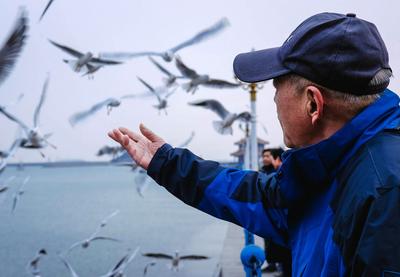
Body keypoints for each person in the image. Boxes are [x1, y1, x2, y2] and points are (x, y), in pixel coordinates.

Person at [108, 12, 400, 276]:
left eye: (275, 87)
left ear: (313, 103)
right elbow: (260, 199)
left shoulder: (385, 195)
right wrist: (167, 163)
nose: (272, 99)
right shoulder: (331, 166)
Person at [260, 148, 291, 277]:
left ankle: (283, 270)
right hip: (268, 216)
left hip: (280, 218)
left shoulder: (280, 173)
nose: (265, 158)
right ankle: (277, 266)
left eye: (268, 156)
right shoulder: (262, 172)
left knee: (284, 250)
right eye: (264, 156)